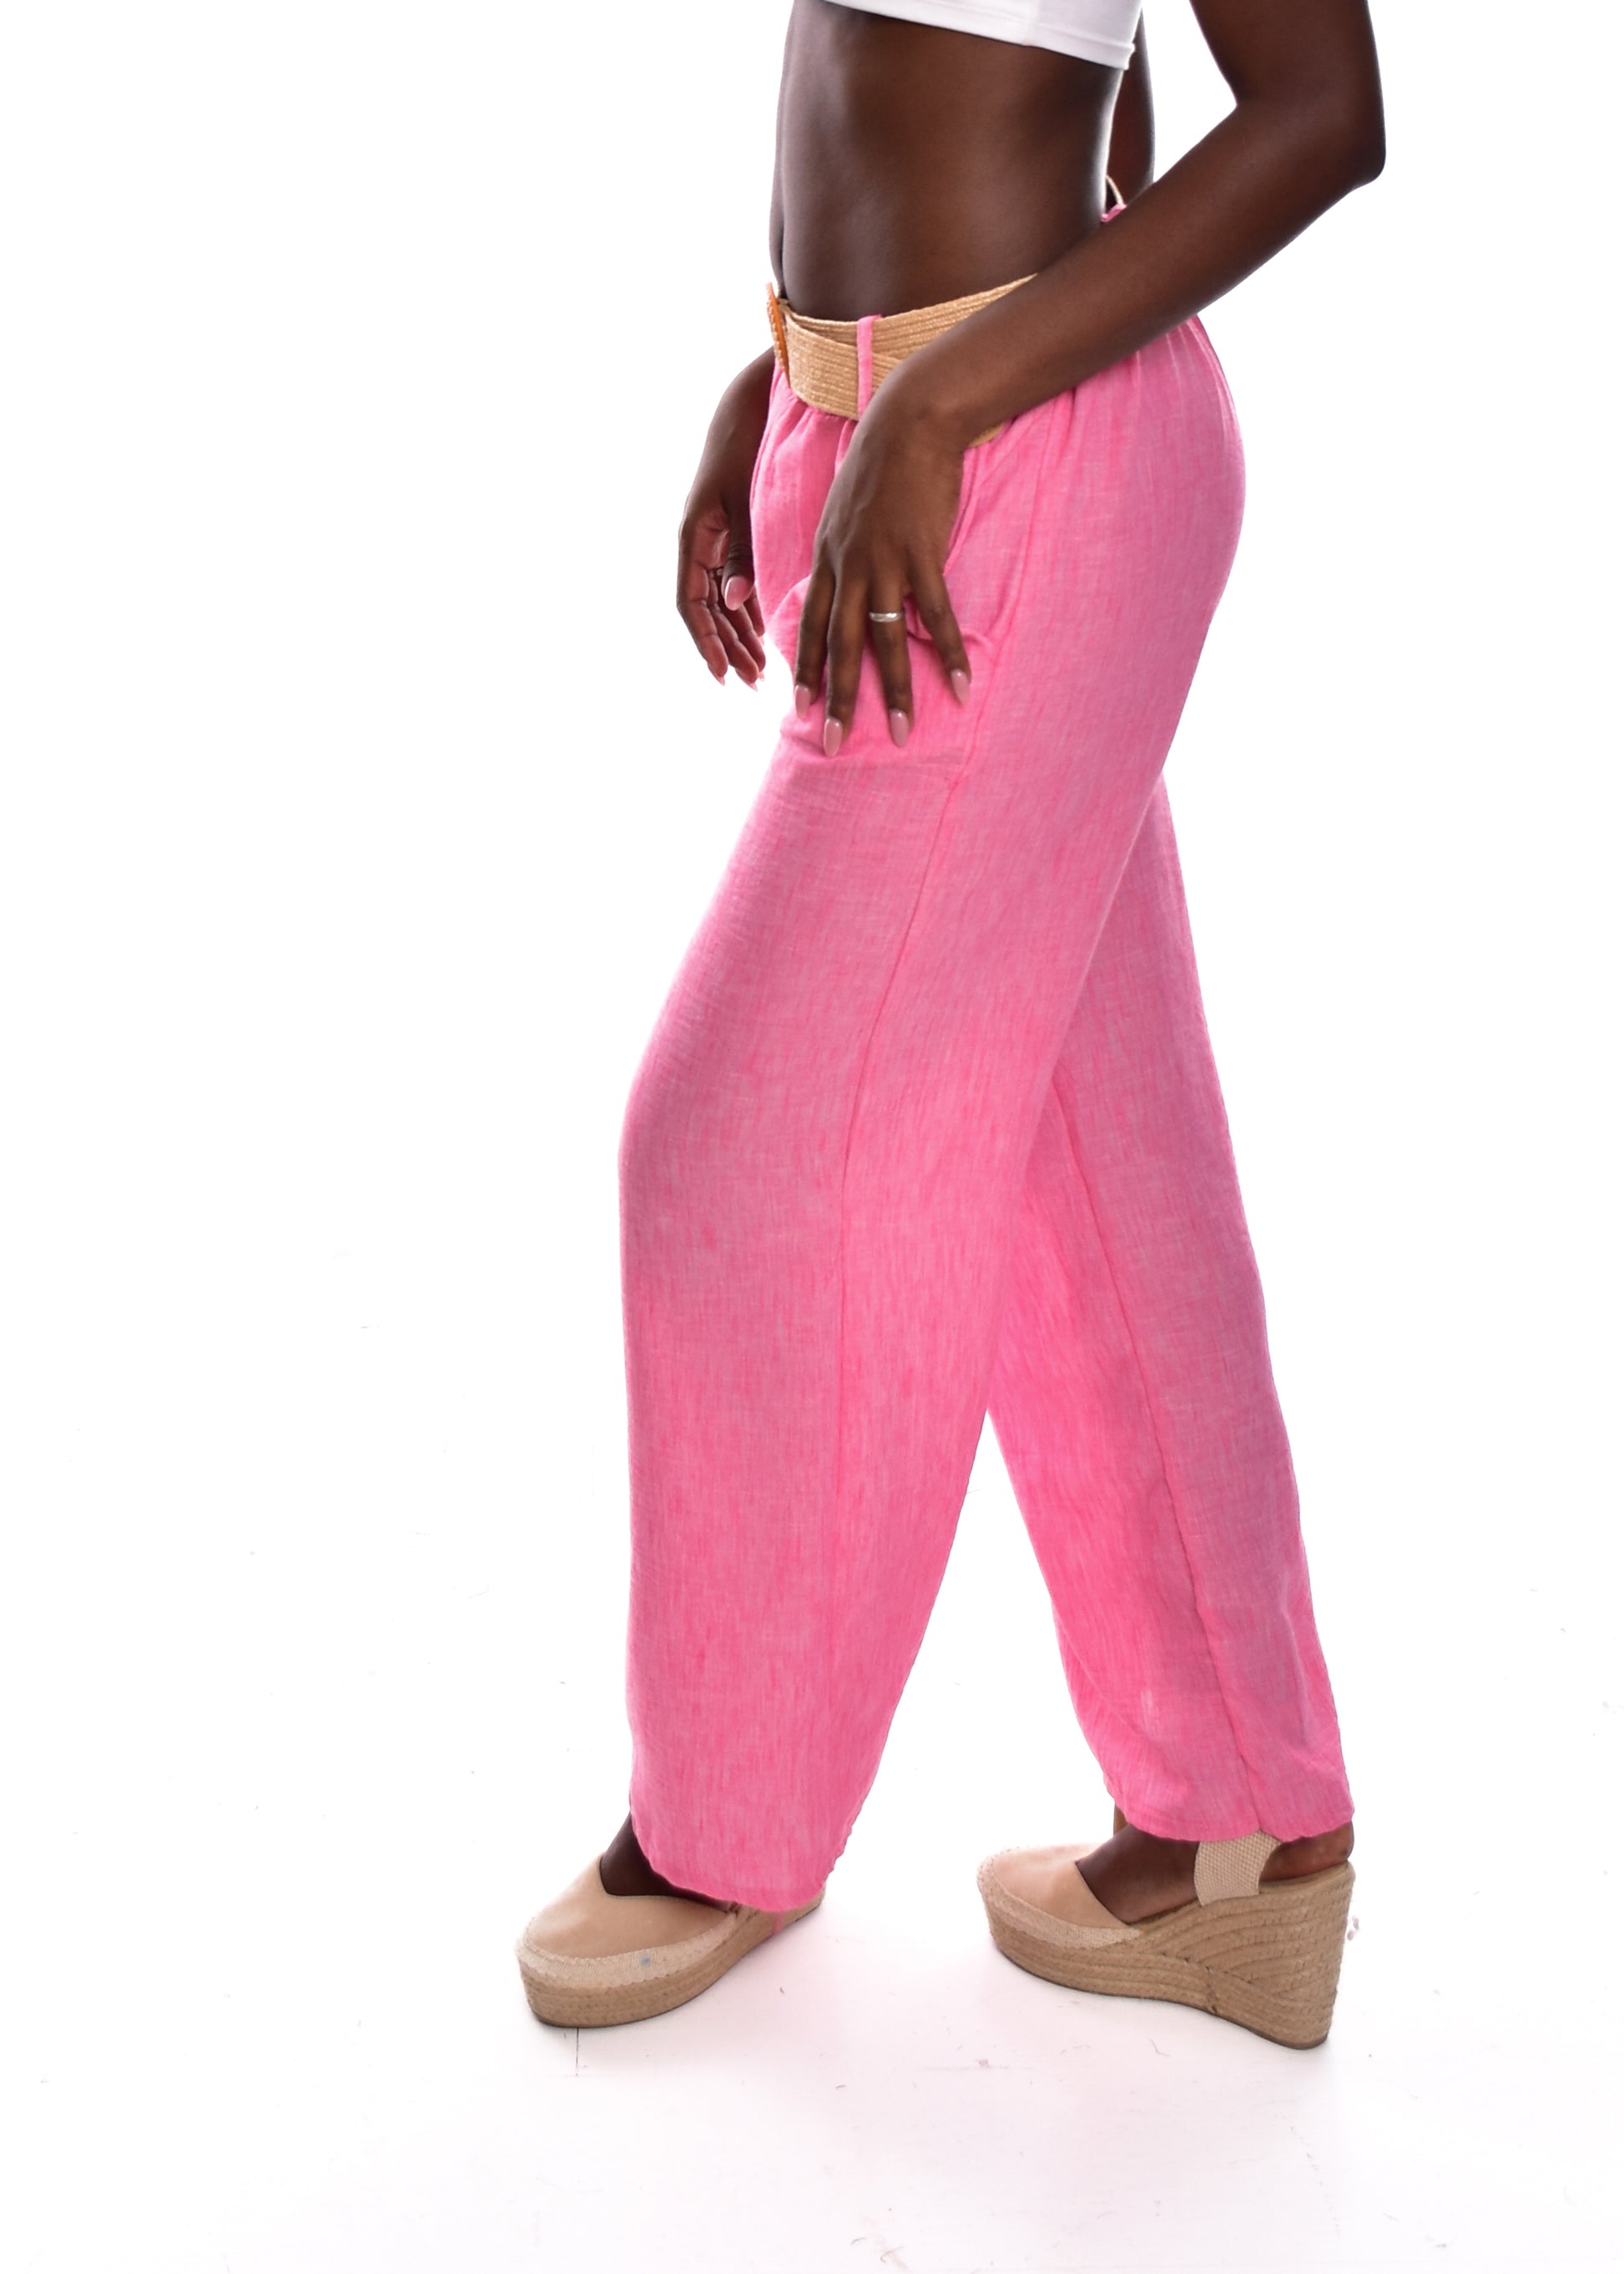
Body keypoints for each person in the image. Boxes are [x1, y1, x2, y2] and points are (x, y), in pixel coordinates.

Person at [517, 0, 1384, 2050]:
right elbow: (1001, 96)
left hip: (1012, 465)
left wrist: (930, 405)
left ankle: (722, 1830)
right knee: (1100, 1177)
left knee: (726, 1151)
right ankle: (1241, 1830)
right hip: (906, 438)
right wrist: (792, 376)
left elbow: (1325, 115)